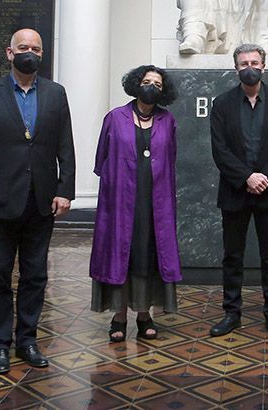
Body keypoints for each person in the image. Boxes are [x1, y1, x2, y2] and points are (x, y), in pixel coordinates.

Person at [0, 28, 75, 374]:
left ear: (43, 54)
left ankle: (27, 339)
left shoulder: (56, 94)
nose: (30, 52)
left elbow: (65, 148)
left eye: (36, 48)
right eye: (23, 47)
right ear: (9, 53)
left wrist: (65, 189)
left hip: (40, 202)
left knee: (35, 275)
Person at [209, 43, 268, 338]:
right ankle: (231, 313)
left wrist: (263, 178)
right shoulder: (222, 103)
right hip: (235, 191)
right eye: (244, 62)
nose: (249, 67)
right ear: (236, 68)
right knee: (232, 255)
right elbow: (219, 150)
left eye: (255, 62)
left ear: (263, 66)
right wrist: (247, 177)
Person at [91, 65, 182, 342]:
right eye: (146, 81)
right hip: (120, 200)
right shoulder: (115, 118)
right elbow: (101, 161)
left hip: (155, 202)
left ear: (163, 91)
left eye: (157, 84)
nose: (151, 87)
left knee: (147, 255)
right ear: (135, 84)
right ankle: (119, 317)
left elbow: (171, 159)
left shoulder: (168, 120)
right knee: (121, 254)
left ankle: (144, 315)